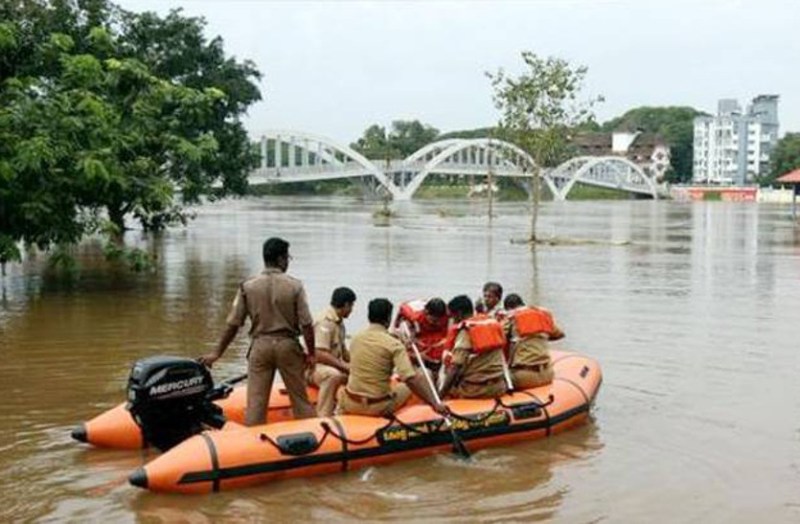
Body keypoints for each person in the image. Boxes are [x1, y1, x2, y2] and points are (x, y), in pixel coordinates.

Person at [198, 237, 316, 426]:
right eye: (287, 258)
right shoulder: (295, 286)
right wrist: (311, 354)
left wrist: (217, 353)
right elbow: (307, 324)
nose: (287, 262)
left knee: (256, 404)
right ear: (279, 259)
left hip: (260, 347)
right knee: (300, 401)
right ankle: (312, 439)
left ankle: (252, 443)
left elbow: (233, 324)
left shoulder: (248, 286)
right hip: (288, 346)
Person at [337, 298, 449, 417]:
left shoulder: (355, 339)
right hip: (378, 407)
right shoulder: (394, 345)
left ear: (369, 316)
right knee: (411, 383)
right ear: (388, 319)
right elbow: (410, 379)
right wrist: (434, 403)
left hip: (350, 403)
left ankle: (336, 412)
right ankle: (422, 413)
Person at [439, 295, 507, 399]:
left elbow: (455, 368)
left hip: (476, 389)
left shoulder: (466, 331)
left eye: (453, 317)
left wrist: (440, 396)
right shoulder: (493, 324)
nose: (453, 321)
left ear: (459, 313)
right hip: (499, 386)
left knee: (442, 380)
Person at [309, 287, 356, 416]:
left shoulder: (339, 324)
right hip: (314, 368)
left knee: (356, 374)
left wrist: (359, 364)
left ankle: (347, 409)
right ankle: (323, 415)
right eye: (351, 306)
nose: (352, 310)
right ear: (346, 305)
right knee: (332, 375)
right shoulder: (325, 322)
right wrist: (344, 367)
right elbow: (319, 354)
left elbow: (344, 352)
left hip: (330, 365)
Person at [503, 293, 564, 389]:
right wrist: (539, 337)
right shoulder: (542, 316)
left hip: (524, 377)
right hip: (547, 374)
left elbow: (494, 341)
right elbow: (560, 334)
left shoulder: (510, 319)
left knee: (494, 383)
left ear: (509, 309)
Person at [393, 298, 449, 376]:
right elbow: (397, 324)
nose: (435, 323)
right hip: (419, 331)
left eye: (438, 320)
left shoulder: (448, 315)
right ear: (426, 312)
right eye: (433, 320)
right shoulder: (414, 315)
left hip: (437, 335)